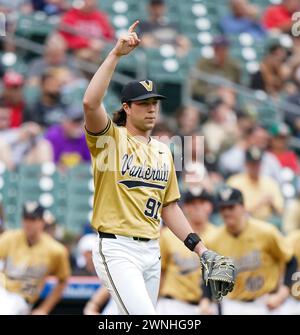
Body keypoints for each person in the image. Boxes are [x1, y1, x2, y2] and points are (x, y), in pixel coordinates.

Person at [83, 20, 235, 315]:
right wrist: (115, 54)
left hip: (152, 249)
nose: (152, 108)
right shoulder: (110, 139)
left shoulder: (164, 151)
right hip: (118, 248)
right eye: (143, 103)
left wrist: (200, 249)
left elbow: (170, 207)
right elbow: (90, 103)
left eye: (155, 102)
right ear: (127, 107)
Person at [200, 187, 298, 315]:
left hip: (266, 302)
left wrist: (283, 293)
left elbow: (291, 261)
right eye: (223, 208)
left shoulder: (266, 232)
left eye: (231, 207)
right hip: (233, 305)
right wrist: (205, 300)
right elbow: (209, 275)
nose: (227, 212)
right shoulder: (214, 239)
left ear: (242, 207)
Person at [0, 201, 71, 315]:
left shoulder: (56, 250)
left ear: (42, 222)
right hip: (3, 291)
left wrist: (44, 309)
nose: (28, 223)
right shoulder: (9, 238)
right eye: (26, 219)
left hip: (23, 299)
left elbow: (63, 280)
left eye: (33, 219)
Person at [156, 189, 218, 315]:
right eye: (192, 203)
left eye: (202, 202)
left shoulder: (219, 235)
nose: (197, 207)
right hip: (173, 304)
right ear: (185, 207)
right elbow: (160, 273)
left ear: (210, 206)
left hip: (206, 306)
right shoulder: (168, 235)